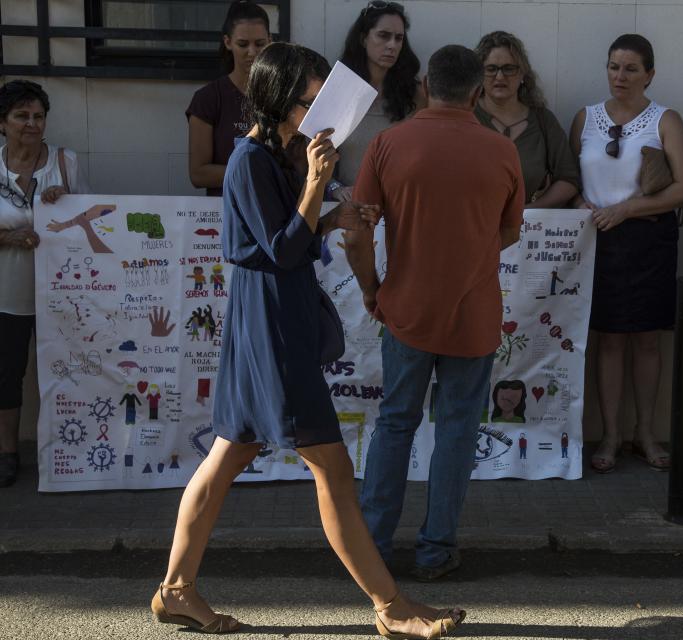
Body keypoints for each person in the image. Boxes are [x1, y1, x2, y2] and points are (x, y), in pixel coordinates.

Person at [153, 43, 464, 639]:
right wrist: (318, 184)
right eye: (310, 101)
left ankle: (176, 590)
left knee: (227, 457)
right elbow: (282, 249)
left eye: (324, 101)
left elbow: (284, 239)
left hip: (270, 319)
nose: (320, 114)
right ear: (278, 99)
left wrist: (330, 218)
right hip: (271, 328)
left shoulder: (275, 154)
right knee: (333, 469)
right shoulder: (250, 159)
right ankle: (390, 606)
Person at [345, 44, 524, 582]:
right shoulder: (502, 151)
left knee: (395, 424)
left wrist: (371, 289)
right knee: (457, 431)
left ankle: (373, 549)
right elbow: (509, 231)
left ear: (426, 86)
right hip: (474, 315)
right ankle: (436, 550)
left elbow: (356, 233)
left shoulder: (387, 144)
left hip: (406, 309)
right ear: (477, 93)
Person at [569, 34, 683, 474]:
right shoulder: (585, 117)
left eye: (630, 68)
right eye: (613, 66)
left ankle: (645, 432)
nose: (619, 76)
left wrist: (627, 209)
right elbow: (569, 178)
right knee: (608, 340)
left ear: (649, 74)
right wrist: (580, 204)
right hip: (598, 238)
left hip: (648, 238)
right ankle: (611, 435)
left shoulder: (665, 119)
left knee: (646, 340)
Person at [0, 80, 89, 488]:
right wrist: (8, 238)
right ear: (3, 123)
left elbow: (93, 223)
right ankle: (7, 451)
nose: (31, 124)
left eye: (38, 116)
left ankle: (70, 449)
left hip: (63, 295)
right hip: (8, 295)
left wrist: (66, 203)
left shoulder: (65, 163)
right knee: (7, 374)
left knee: (68, 369)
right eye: (21, 116)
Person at [474, 31, 579, 207]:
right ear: (479, 75)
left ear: (523, 73)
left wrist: (528, 211)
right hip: (475, 221)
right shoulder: (466, 118)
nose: (500, 76)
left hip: (528, 222)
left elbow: (569, 179)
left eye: (509, 68)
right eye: (491, 69)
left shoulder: (543, 120)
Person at [332, 0, 423, 202]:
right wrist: (335, 188)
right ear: (364, 38)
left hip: (400, 206)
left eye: (399, 38)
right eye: (383, 35)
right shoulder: (340, 91)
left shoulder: (415, 94)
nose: (392, 45)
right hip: (352, 207)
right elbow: (312, 156)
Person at [186, 0, 271, 196]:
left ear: (270, 41)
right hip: (225, 208)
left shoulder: (283, 97)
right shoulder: (208, 99)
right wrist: (255, 173)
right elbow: (198, 174)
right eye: (243, 44)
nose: (252, 52)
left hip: (275, 208)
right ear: (227, 42)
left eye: (259, 44)